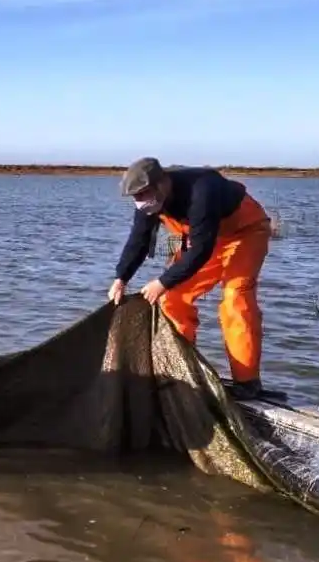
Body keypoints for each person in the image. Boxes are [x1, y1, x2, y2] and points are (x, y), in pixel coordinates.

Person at [108, 157, 271, 400]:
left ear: (162, 183)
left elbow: (201, 251)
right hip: (206, 239)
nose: (140, 201)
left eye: (143, 194)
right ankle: (182, 368)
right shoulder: (149, 203)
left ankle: (247, 382)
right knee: (172, 298)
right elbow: (139, 239)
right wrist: (121, 278)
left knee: (236, 297)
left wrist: (161, 282)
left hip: (245, 232)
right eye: (135, 197)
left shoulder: (202, 190)